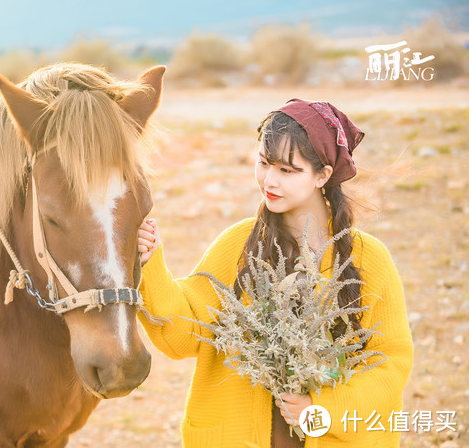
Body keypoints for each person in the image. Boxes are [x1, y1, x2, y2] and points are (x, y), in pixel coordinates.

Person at [137, 99, 413, 447]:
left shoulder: (368, 259)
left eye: (287, 170)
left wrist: (321, 408)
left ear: (322, 176)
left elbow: (391, 361)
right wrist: (150, 263)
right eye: (264, 163)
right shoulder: (239, 244)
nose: (270, 180)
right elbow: (185, 334)